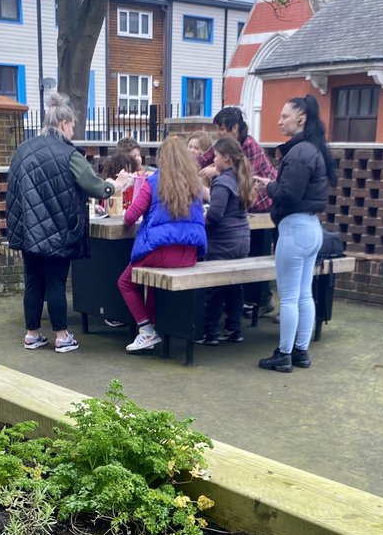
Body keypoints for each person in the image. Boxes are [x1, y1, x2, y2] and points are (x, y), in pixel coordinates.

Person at [5, 91, 130, 353]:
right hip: (58, 231)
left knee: (33, 282)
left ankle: (32, 334)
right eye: (73, 125)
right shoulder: (68, 154)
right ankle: (62, 336)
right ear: (64, 123)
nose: (74, 131)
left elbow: (14, 192)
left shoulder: (23, 150)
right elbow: (93, 186)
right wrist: (115, 186)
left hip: (28, 231)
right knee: (55, 284)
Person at [253, 95, 336, 373]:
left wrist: (268, 188)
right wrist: (275, 184)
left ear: (301, 118)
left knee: (288, 297)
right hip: (312, 228)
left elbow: (288, 194)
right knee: (303, 294)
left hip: (295, 229)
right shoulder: (313, 149)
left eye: (285, 116)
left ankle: (284, 354)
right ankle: (300, 351)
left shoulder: (299, 152)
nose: (279, 121)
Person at [117, 133, 207, 353]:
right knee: (153, 284)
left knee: (125, 282)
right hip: (189, 254)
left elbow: (130, 217)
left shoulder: (153, 181)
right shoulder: (194, 185)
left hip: (159, 251)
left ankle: (147, 330)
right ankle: (155, 326)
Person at [198, 107, 277, 313]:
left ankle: (261, 302)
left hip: (263, 204)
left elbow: (245, 177)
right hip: (242, 215)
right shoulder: (223, 148)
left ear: (234, 128)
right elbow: (202, 159)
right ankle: (238, 315)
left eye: (222, 129)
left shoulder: (249, 146)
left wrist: (217, 171)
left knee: (255, 250)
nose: (219, 133)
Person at [200, 136, 254, 346]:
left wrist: (199, 220)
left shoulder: (223, 181)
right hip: (242, 240)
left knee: (214, 288)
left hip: (223, 243)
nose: (213, 160)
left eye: (216, 156)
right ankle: (235, 328)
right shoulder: (241, 178)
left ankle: (210, 332)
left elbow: (215, 216)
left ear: (227, 159)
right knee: (234, 286)